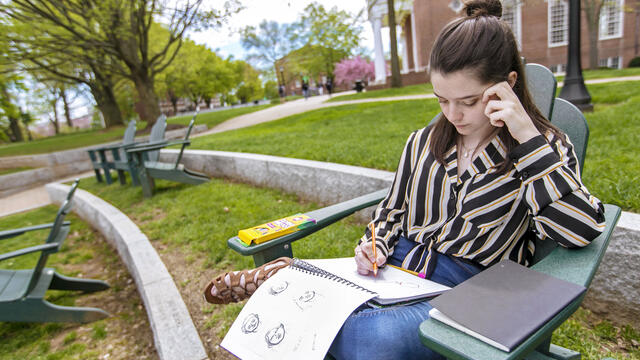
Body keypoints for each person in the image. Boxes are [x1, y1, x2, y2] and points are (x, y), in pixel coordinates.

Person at [204, 0, 606, 358]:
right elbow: (392, 210)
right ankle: (291, 281)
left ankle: (289, 279)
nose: (454, 115)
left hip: (469, 292)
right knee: (315, 316)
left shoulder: (544, 146)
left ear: (508, 86)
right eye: (442, 100)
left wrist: (525, 139)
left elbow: (581, 230)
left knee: (368, 339)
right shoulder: (424, 143)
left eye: (468, 101)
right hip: (395, 272)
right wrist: (373, 244)